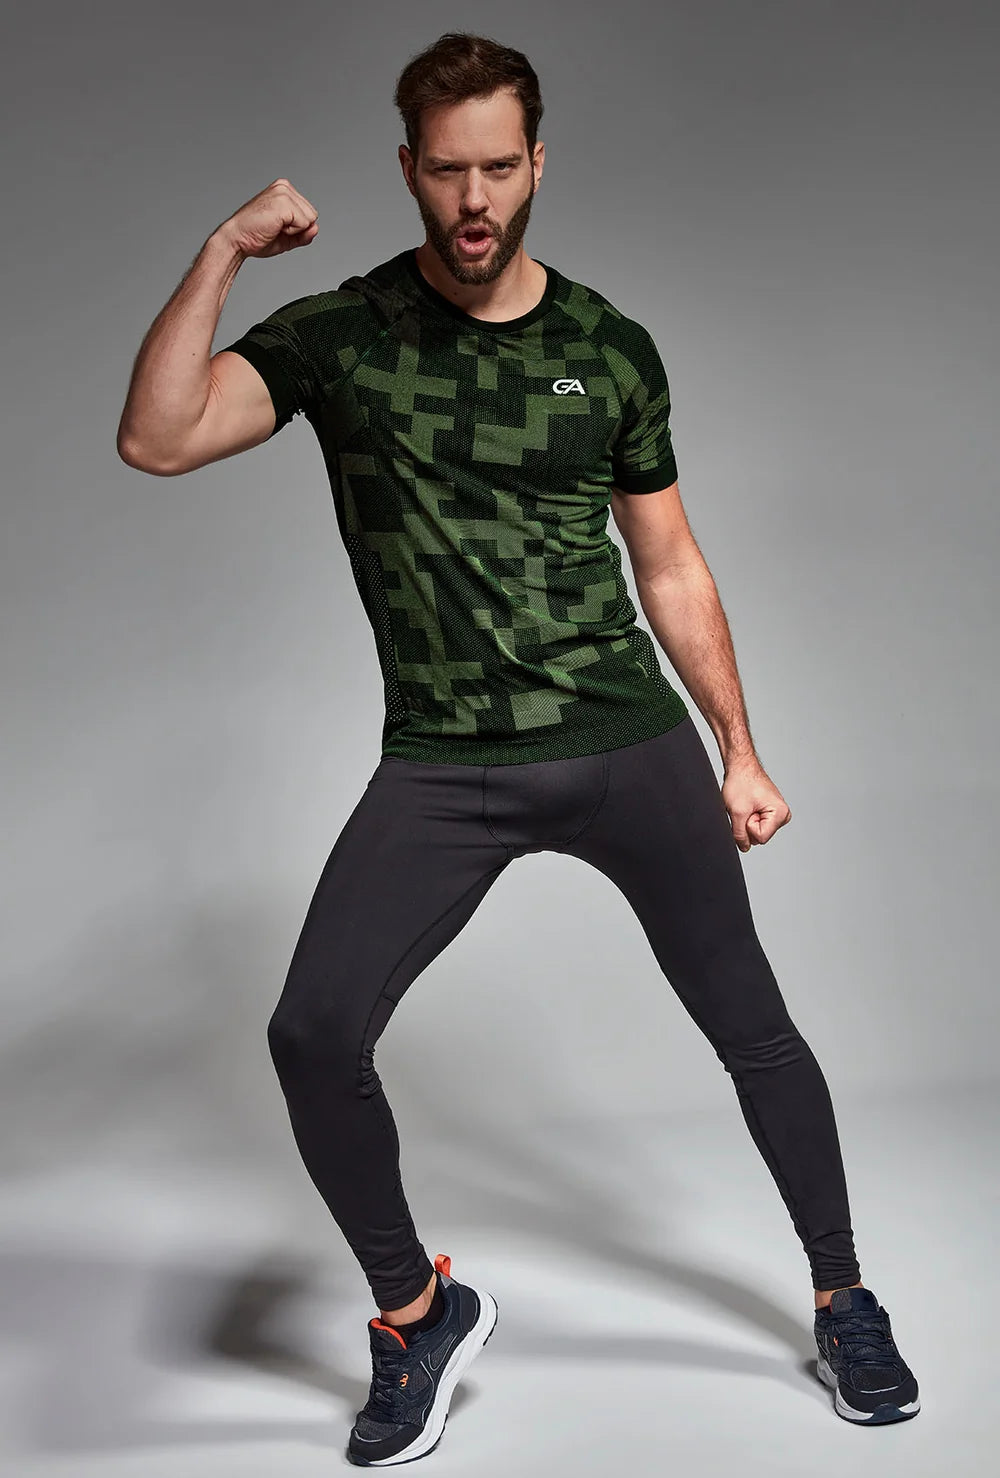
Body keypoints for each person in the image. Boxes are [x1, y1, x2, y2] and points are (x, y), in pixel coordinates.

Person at [116, 28, 920, 1468]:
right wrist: (226, 249)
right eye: (447, 171)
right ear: (408, 171)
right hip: (446, 763)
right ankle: (416, 1311)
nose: (475, 199)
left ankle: (844, 1296)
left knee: (753, 1027)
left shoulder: (609, 347)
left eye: (499, 167)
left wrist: (739, 747)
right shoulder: (344, 336)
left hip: (624, 739)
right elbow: (158, 436)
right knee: (312, 1035)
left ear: (537, 162)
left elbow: (668, 561)